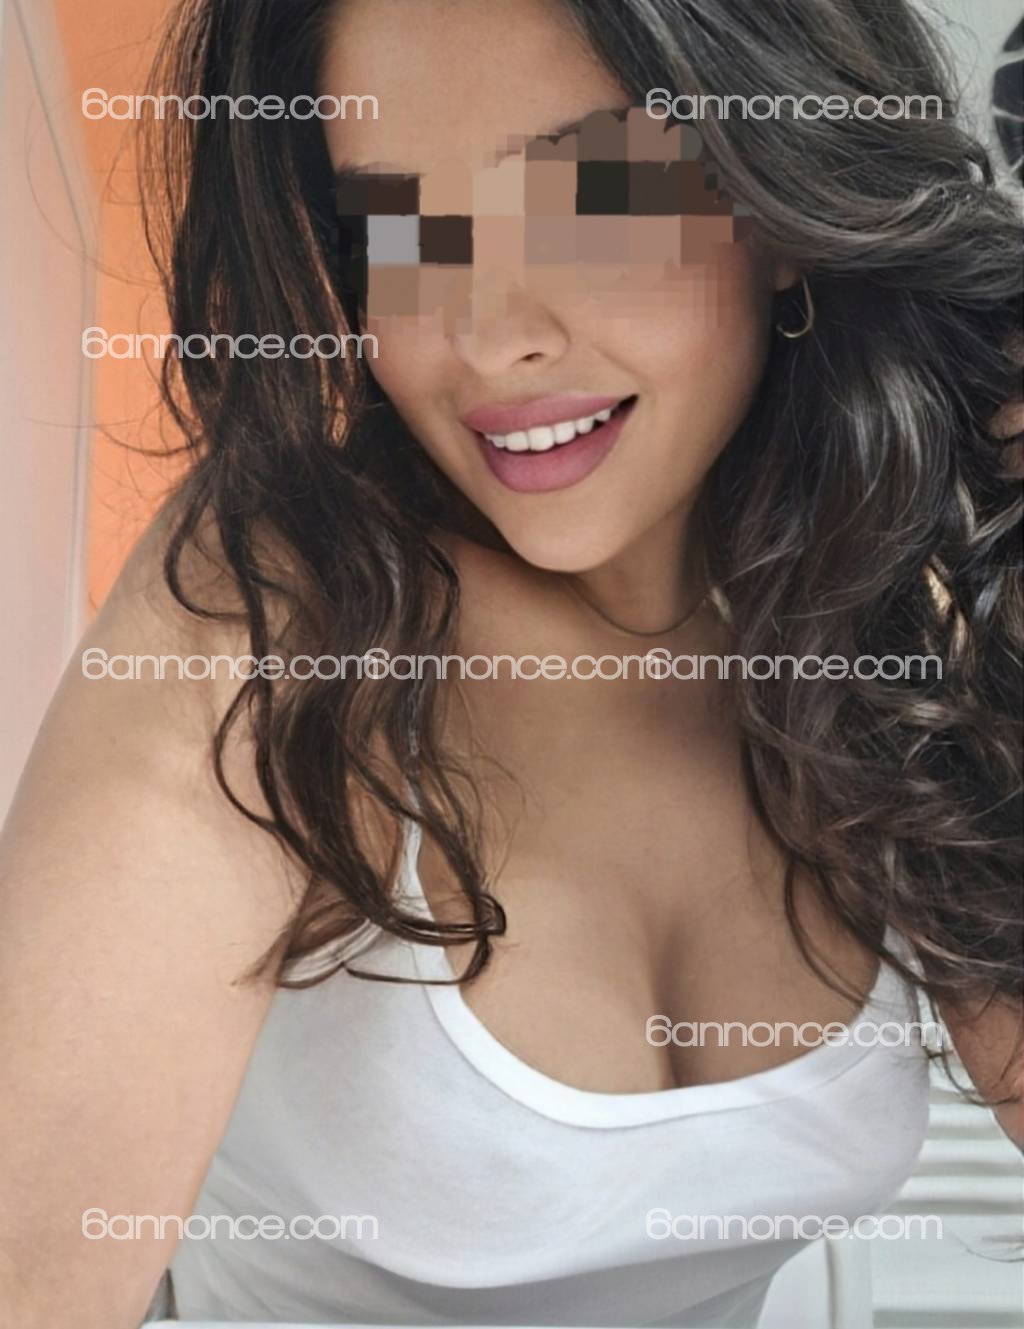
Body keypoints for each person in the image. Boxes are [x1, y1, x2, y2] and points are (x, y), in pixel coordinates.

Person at [1, 1, 1021, 1325]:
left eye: (589, 195)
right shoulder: (272, 611)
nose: (485, 338)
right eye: (400, 227)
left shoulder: (894, 586)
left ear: (781, 202)